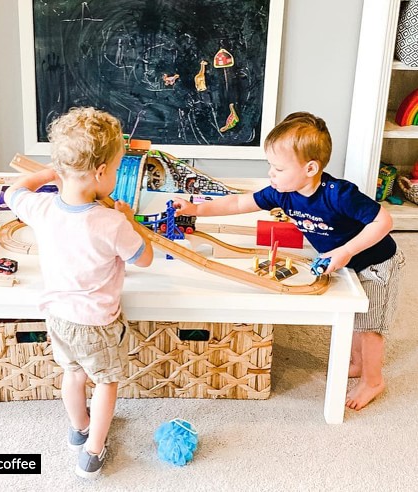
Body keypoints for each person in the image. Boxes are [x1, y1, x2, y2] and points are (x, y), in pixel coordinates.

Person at [173, 111, 405, 411]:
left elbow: (383, 222)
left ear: (310, 168)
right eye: (271, 166)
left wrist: (345, 251)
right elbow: (239, 202)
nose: (271, 173)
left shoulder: (339, 194)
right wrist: (195, 209)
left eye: (278, 168)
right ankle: (359, 364)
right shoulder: (283, 193)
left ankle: (374, 380)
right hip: (346, 262)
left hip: (376, 263)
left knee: (369, 327)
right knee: (355, 319)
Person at [5, 107, 153, 478]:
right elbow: (145, 258)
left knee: (72, 375)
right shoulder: (111, 222)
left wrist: (50, 173)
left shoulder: (41, 208)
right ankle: (92, 450)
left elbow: (14, 191)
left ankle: (78, 429)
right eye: (117, 169)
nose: (117, 175)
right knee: (105, 382)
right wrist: (131, 221)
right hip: (97, 324)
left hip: (58, 318)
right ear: (101, 173)